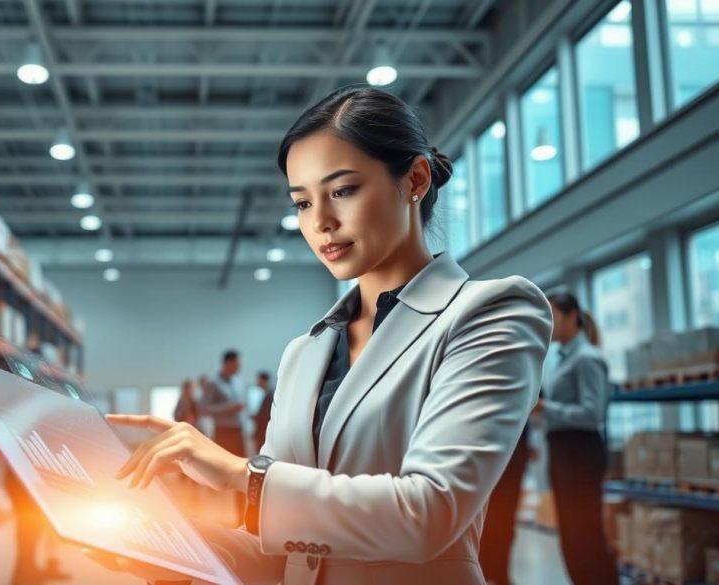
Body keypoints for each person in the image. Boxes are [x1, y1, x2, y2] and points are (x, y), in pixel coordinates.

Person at [91, 85, 553, 583]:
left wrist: (242, 476)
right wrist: (166, 545)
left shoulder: (490, 313)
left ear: (415, 179)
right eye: (302, 203)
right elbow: (287, 553)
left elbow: (430, 513)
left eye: (343, 190)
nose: (321, 223)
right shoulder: (306, 352)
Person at [534, 293, 618, 585]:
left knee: (586, 536)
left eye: (554, 316)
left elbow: (592, 413)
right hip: (563, 453)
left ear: (573, 317)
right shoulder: (560, 359)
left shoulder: (587, 359)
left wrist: (546, 408)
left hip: (580, 453)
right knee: (570, 535)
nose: (550, 324)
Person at [478, 424, 530, 585]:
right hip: (496, 453)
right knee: (489, 521)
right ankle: (488, 572)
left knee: (504, 521)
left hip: (512, 456)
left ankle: (499, 573)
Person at [200, 350, 247, 457]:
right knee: (224, 467)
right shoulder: (213, 382)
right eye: (236, 364)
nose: (239, 367)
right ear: (228, 363)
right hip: (223, 431)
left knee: (241, 463)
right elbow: (204, 409)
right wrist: (228, 408)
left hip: (238, 430)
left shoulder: (237, 382)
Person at [252, 371, 275, 453]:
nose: (257, 383)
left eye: (258, 380)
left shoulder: (270, 395)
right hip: (263, 431)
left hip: (263, 432)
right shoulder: (268, 394)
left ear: (263, 380)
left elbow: (266, 416)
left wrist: (255, 417)